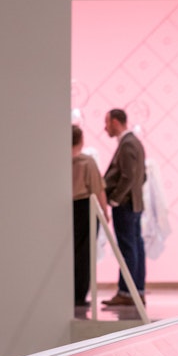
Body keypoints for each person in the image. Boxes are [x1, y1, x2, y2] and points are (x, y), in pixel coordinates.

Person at [101, 108, 147, 307]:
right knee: (135, 247)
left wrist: (115, 199)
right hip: (134, 203)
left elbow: (128, 176)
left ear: (116, 122)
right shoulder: (134, 143)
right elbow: (141, 176)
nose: (105, 128)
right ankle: (135, 290)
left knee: (128, 248)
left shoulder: (127, 144)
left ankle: (127, 292)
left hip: (126, 205)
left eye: (107, 123)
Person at [71, 125, 107, 307]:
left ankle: (66, 292)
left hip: (64, 210)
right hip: (84, 209)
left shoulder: (56, 160)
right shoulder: (87, 161)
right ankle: (78, 294)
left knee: (67, 254)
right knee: (84, 253)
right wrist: (105, 213)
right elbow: (97, 189)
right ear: (81, 140)